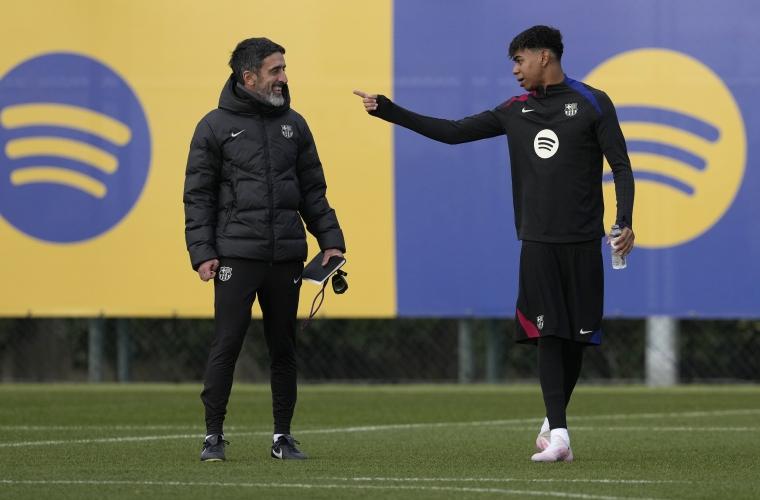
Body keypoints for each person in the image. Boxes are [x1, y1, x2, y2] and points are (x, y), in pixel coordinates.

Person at [354, 25, 634, 462]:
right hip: (538, 242)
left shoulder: (593, 102)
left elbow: (621, 166)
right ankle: (561, 435)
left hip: (584, 242)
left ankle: (552, 422)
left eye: (520, 61)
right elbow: (452, 132)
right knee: (548, 334)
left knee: (578, 339)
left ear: (544, 56)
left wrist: (624, 221)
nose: (516, 71)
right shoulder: (514, 110)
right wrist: (389, 111)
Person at [184, 37, 345, 462]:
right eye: (276, 70)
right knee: (226, 345)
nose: (284, 78)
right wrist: (202, 252)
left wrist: (331, 242)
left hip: (286, 257)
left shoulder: (296, 125)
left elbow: (313, 191)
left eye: (284, 69)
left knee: (284, 349)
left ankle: (282, 438)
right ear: (249, 76)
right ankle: (213, 438)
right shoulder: (213, 127)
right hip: (235, 257)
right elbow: (197, 196)